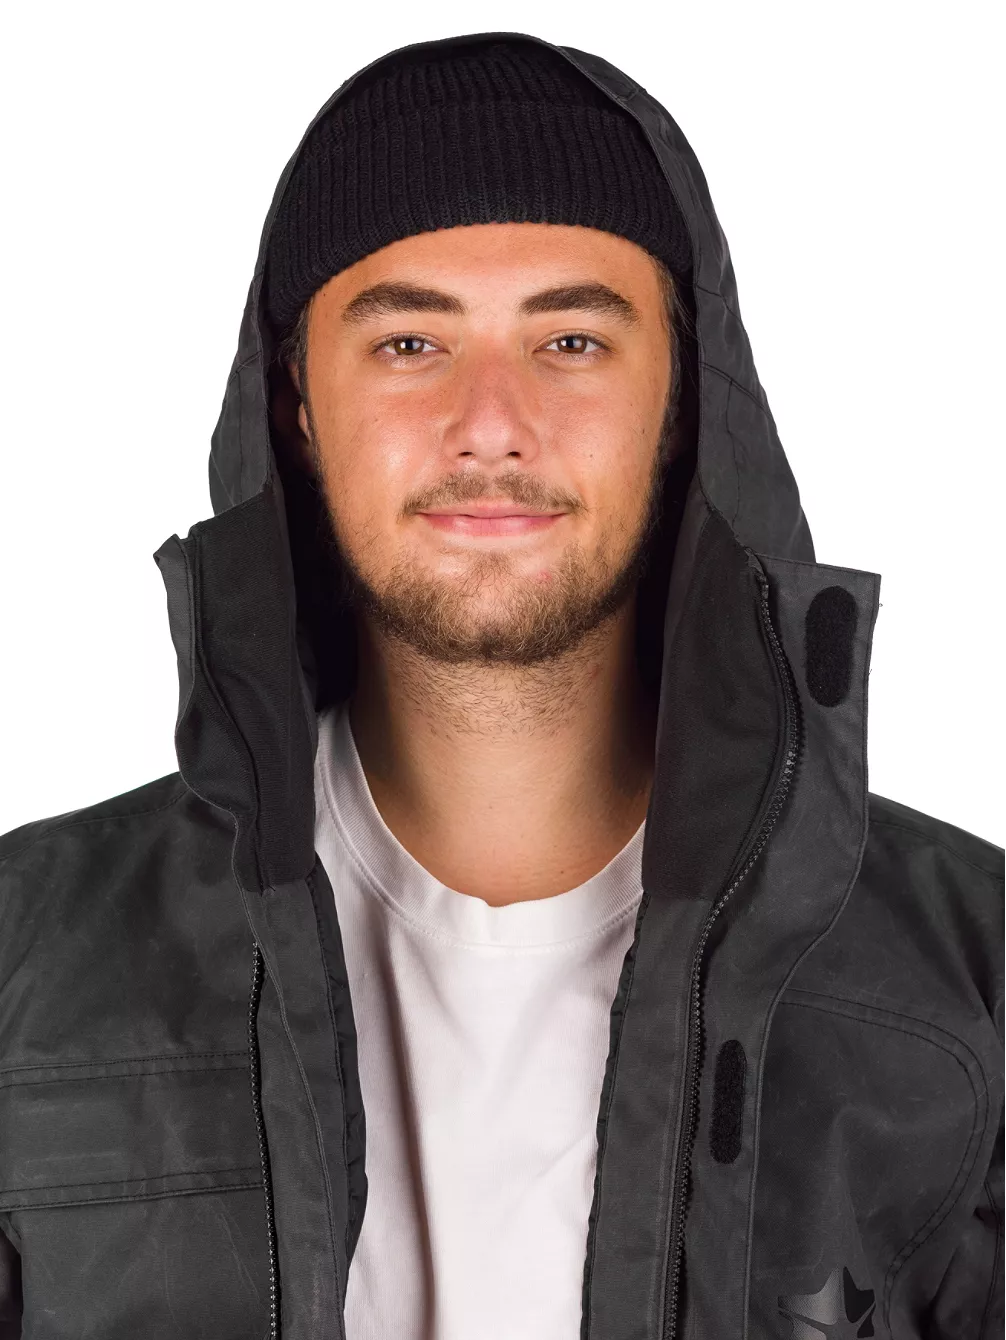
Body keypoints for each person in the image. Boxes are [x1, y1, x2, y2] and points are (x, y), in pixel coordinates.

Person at [0, 29, 1001, 1340]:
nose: (490, 423)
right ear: (298, 405)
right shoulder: (24, 956)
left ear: (682, 403)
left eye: (571, 340)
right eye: (409, 342)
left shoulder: (974, 974)